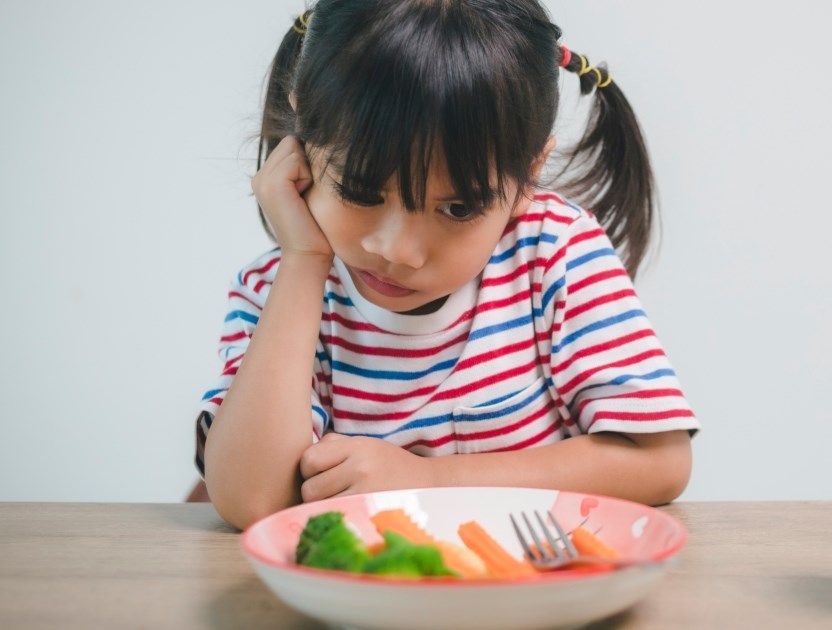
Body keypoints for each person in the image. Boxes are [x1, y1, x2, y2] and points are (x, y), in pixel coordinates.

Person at [196, 0, 699, 530]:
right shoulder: (277, 288)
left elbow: (660, 461)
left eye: (457, 208)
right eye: (360, 189)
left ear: (528, 175)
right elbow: (252, 502)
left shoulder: (555, 252)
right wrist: (303, 260)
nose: (398, 250)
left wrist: (430, 480)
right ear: (302, 137)